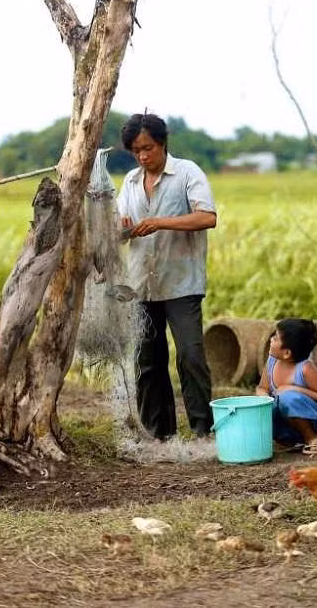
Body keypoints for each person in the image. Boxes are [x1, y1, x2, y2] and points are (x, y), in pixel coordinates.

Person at [116, 113, 218, 440]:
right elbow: (118, 229)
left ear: (162, 143)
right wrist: (121, 228)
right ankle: (158, 435)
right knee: (147, 361)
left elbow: (207, 217)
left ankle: (203, 431)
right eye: (136, 151)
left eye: (147, 148)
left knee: (190, 355)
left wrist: (160, 222)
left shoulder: (187, 172)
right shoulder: (130, 182)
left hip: (181, 283)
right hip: (141, 285)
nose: (143, 156)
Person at [256, 318, 317, 456]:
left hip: (315, 420)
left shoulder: (305, 369)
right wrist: (264, 399)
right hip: (289, 423)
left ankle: (312, 438)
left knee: (287, 398)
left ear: (287, 353)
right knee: (265, 407)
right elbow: (262, 388)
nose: (271, 339)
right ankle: (288, 440)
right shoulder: (272, 362)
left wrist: (295, 389)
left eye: (276, 338)